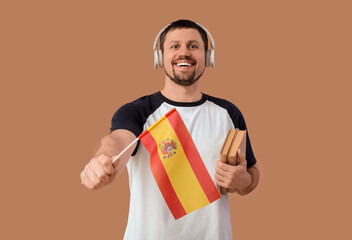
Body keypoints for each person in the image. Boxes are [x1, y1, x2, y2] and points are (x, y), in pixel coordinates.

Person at [80, 19, 259, 239]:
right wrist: (101, 160)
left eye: (193, 46)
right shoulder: (136, 111)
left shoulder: (229, 113)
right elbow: (117, 141)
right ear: (159, 57)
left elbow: (251, 172)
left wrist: (245, 181)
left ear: (208, 57)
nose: (184, 53)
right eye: (175, 46)